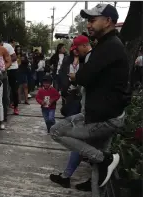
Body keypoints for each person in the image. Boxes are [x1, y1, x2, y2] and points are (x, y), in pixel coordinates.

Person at [50, 3, 131, 188]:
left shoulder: (110, 46)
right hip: (104, 114)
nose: (88, 25)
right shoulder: (106, 44)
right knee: (98, 172)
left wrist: (77, 77)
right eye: (88, 21)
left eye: (93, 20)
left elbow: (84, 77)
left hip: (104, 118)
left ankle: (105, 159)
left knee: (56, 131)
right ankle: (102, 165)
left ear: (108, 21)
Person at [50, 35, 93, 191]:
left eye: (76, 48)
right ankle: (71, 177)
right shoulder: (81, 59)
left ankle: (69, 177)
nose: (76, 51)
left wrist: (77, 79)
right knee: (86, 144)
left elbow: (89, 81)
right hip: (82, 104)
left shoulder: (90, 59)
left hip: (91, 108)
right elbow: (62, 74)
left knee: (80, 142)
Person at [0, 38, 20, 115]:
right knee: (4, 89)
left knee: (14, 89)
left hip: (12, 69)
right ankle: (6, 106)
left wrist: (4, 61)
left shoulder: (7, 46)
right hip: (2, 70)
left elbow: (14, 57)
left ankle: (16, 107)